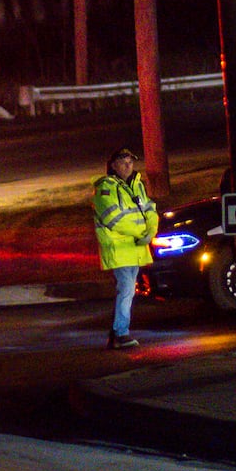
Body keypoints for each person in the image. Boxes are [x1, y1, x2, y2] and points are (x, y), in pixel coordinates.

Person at [92, 147, 158, 349]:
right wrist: (142, 233)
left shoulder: (137, 185)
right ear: (113, 166)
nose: (129, 165)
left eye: (130, 161)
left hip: (134, 248)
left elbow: (151, 210)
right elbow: (113, 218)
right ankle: (121, 333)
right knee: (127, 289)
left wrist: (151, 231)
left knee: (128, 291)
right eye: (123, 161)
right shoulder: (106, 188)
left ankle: (117, 332)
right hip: (120, 248)